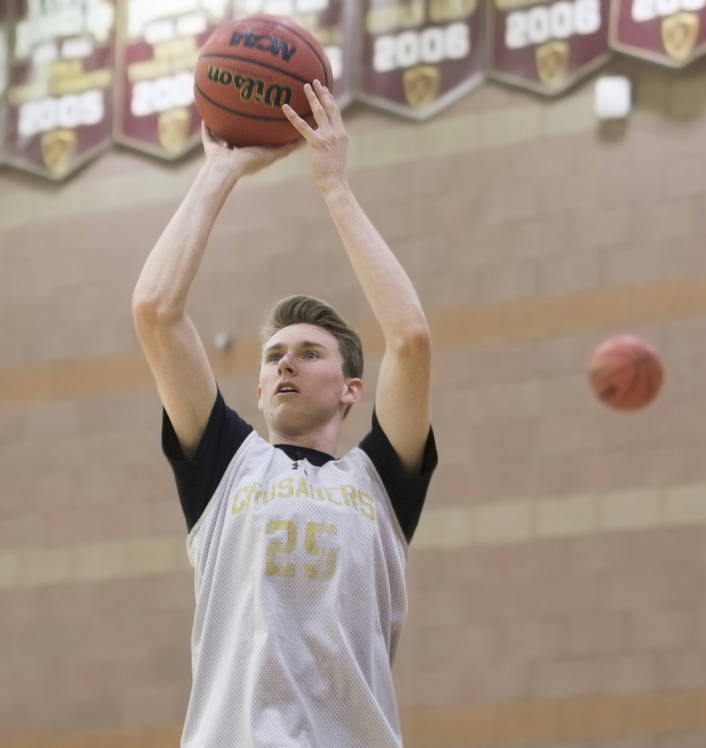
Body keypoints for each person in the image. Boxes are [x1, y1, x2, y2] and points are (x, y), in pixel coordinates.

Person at [132, 80, 437, 747]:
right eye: (273, 356)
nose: (285, 364)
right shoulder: (227, 467)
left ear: (353, 387)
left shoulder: (379, 483)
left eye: (308, 353)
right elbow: (155, 311)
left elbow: (409, 338)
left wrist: (334, 187)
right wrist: (218, 171)